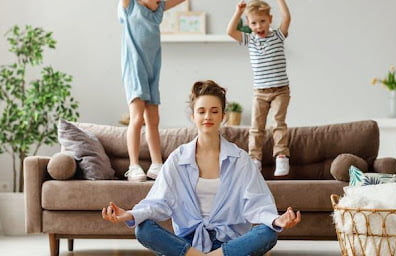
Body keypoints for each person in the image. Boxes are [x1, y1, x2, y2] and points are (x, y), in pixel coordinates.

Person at [102, 80, 301, 256]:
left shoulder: (240, 159)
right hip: (188, 244)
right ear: (193, 116)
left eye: (215, 111)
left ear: (223, 115)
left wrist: (277, 220)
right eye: (202, 111)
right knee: (143, 229)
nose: (208, 116)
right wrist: (131, 215)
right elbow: (159, 202)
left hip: (229, 244)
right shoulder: (178, 159)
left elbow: (257, 204)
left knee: (268, 233)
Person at [118, 0, 186, 181]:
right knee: (137, 118)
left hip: (152, 70)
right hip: (134, 68)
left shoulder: (159, 7)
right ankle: (133, 165)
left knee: (153, 119)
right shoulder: (130, 6)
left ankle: (156, 164)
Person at [226, 0, 292, 176]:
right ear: (248, 23)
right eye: (253, 22)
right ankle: (255, 159)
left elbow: (287, 17)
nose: (258, 26)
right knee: (256, 126)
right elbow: (230, 31)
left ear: (270, 19)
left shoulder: (278, 36)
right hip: (260, 92)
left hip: (280, 90)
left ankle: (281, 156)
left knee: (278, 123)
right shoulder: (250, 40)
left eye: (262, 21)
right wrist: (238, 12)